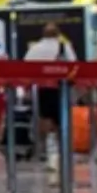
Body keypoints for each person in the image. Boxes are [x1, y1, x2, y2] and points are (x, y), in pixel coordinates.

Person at [25, 22, 76, 170]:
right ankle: (63, 149)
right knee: (61, 120)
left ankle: (43, 149)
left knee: (43, 117)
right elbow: (73, 65)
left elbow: (26, 66)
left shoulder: (35, 48)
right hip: (61, 88)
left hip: (42, 88)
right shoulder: (64, 47)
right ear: (58, 33)